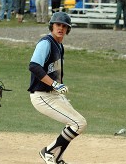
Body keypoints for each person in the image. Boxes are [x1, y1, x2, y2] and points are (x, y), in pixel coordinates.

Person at [28, 12, 87, 164]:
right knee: (78, 123)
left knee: (77, 124)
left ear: (68, 29)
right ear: (52, 26)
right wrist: (54, 84)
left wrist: (58, 86)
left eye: (64, 26)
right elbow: (34, 66)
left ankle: (56, 157)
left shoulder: (59, 45)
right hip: (42, 96)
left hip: (52, 95)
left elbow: (53, 70)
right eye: (58, 25)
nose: (61, 28)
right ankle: (48, 152)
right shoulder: (46, 43)